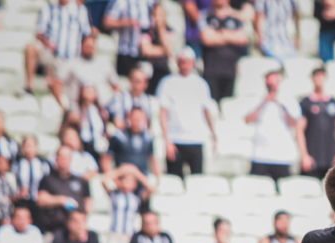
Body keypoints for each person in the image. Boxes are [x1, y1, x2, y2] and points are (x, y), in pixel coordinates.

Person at [157, 48, 217, 178]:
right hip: (176, 139)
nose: (184, 64)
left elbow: (206, 112)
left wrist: (214, 135)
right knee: (174, 179)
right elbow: (163, 113)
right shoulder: (168, 83)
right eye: (182, 61)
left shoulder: (201, 84)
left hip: (196, 139)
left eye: (187, 61)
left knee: (197, 180)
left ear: (193, 63)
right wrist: (167, 140)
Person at [24, 0, 93, 95]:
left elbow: (87, 34)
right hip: (52, 55)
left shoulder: (80, 10)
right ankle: (29, 87)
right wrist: (46, 42)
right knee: (31, 48)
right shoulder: (48, 9)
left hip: (72, 57)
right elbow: (39, 32)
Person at [246, 71, 301, 187]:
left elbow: (293, 123)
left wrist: (279, 103)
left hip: (282, 156)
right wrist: (265, 101)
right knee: (255, 188)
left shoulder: (288, 100)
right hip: (260, 155)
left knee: (285, 189)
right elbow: (248, 119)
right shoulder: (258, 99)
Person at [297, 66, 335, 180]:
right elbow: (299, 130)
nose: (320, 80)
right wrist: (304, 155)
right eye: (317, 77)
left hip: (330, 157)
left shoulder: (334, 103)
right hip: (312, 156)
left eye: (322, 77)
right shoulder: (306, 103)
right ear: (312, 79)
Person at [53, 35, 119, 111]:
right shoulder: (71, 63)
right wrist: (63, 106)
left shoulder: (105, 64)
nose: (89, 48)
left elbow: (116, 87)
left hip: (101, 109)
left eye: (91, 46)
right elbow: (57, 83)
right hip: (76, 109)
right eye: (87, 46)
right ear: (81, 46)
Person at [200, 0, 248, 102]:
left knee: (228, 105)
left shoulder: (236, 17)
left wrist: (220, 34)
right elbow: (207, 38)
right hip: (211, 69)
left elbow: (242, 38)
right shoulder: (206, 16)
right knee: (212, 104)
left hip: (230, 70)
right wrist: (230, 35)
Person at [36, 145, 92, 234]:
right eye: (61, 156)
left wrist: (80, 221)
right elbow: (41, 200)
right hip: (53, 229)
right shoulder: (48, 179)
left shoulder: (81, 181)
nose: (64, 160)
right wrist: (61, 200)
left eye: (66, 157)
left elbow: (88, 204)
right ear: (56, 158)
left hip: (74, 233)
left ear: (71, 159)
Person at [103, 0, 159, 77]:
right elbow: (107, 22)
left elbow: (158, 12)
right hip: (126, 52)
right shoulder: (121, 2)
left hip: (144, 53)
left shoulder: (148, 2)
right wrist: (127, 23)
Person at [103, 107, 160, 179]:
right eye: (134, 118)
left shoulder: (148, 138)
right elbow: (106, 159)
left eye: (139, 119)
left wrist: (158, 179)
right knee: (129, 169)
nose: (137, 121)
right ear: (129, 118)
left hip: (142, 179)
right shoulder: (119, 137)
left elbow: (153, 160)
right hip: (123, 180)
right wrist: (114, 179)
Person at [14, 136, 53, 203]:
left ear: (36, 147)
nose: (29, 149)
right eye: (26, 146)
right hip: (22, 200)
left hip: (39, 199)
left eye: (31, 146)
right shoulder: (17, 163)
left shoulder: (44, 163)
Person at [0, 154, 18, 227]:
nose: (1, 165)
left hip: (7, 214)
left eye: (4, 162)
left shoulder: (10, 178)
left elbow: (13, 195)